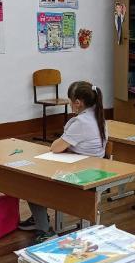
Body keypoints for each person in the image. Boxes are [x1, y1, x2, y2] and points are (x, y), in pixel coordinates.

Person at [19, 81, 107, 244]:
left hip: (80, 176)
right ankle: (39, 218)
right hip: (91, 170)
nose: (69, 104)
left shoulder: (81, 122)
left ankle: (44, 230)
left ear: (78, 103)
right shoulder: (98, 116)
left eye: (70, 101)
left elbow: (55, 147)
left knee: (31, 184)